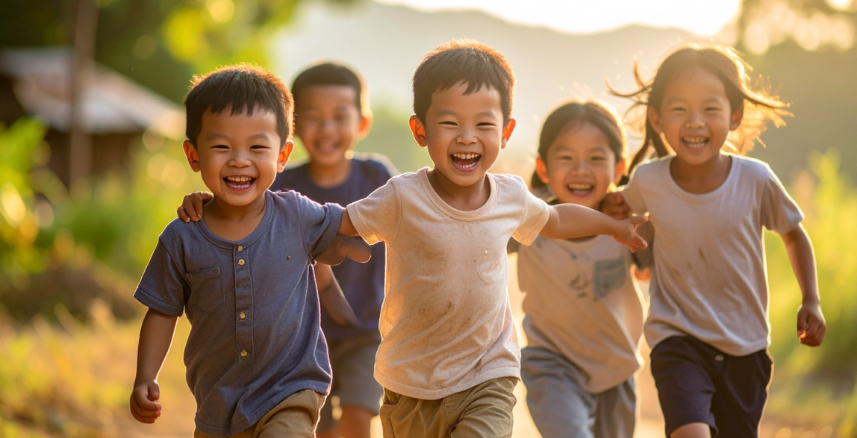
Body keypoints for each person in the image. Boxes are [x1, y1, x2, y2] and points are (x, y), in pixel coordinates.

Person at [335, 40, 648, 438]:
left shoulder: (511, 197)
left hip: (488, 374)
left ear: (505, 132)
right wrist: (306, 232)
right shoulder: (401, 198)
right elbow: (342, 222)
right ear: (420, 130)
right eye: (450, 123)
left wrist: (613, 226)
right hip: (411, 381)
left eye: (484, 124)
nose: (467, 137)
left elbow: (554, 218)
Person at [129, 64, 368, 438]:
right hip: (217, 403)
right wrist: (146, 376)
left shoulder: (296, 215)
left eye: (257, 147)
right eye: (221, 146)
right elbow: (162, 311)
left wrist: (416, 203)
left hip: (291, 388)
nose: (240, 160)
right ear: (193, 156)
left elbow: (349, 220)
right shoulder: (182, 237)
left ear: (283, 154)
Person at [604, 43, 827, 438]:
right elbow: (625, 211)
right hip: (677, 338)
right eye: (679, 110)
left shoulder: (755, 180)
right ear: (656, 118)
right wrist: (610, 207)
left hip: (746, 346)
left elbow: (794, 235)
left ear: (735, 115)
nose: (694, 122)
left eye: (710, 109)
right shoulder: (649, 181)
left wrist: (811, 299)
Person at [509, 100, 652, 438]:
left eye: (596, 158)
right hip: (551, 362)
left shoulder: (627, 222)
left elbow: (651, 269)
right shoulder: (531, 219)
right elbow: (478, 241)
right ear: (543, 169)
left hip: (616, 367)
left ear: (619, 168)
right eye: (566, 158)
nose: (581, 170)